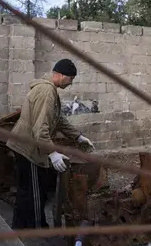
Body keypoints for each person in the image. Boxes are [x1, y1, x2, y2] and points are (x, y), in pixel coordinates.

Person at [6, 58, 95, 229]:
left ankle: (20, 226)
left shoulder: (48, 90)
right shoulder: (47, 91)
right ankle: (38, 229)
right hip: (28, 149)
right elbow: (40, 129)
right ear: (61, 76)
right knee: (35, 193)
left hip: (26, 145)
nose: (71, 84)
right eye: (70, 79)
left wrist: (77, 136)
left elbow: (58, 119)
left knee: (27, 190)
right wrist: (52, 153)